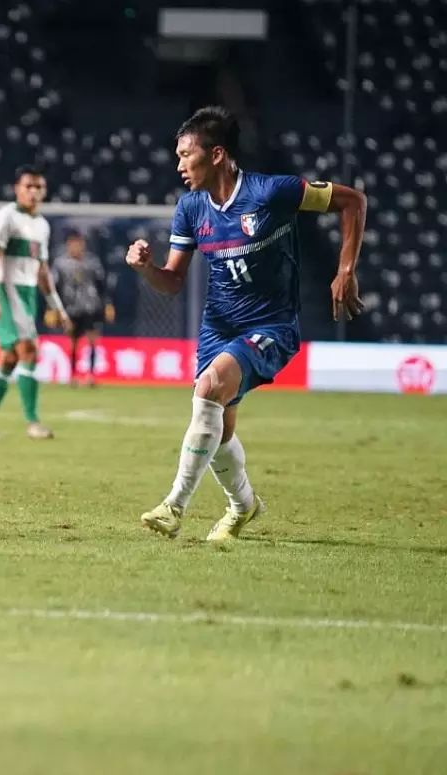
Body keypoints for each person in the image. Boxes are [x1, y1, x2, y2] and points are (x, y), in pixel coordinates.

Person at [126, 106, 365, 541]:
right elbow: (173, 282)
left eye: (185, 154)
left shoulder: (273, 193)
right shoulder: (191, 208)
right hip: (218, 327)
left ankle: (174, 505)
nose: (179, 165)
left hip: (271, 326)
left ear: (216, 154)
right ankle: (243, 506)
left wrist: (345, 269)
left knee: (209, 388)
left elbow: (352, 201)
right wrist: (147, 269)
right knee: (218, 430)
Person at [0, 165, 70, 440]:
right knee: (29, 350)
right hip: (6, 289)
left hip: (27, 293)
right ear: (18, 189)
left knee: (8, 358)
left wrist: (57, 306)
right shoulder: (6, 217)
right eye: (29, 186)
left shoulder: (42, 225)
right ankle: (33, 422)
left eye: (39, 187)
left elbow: (42, 271)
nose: (34, 192)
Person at [47, 230, 115, 386]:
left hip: (92, 307)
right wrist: (52, 308)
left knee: (92, 340)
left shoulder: (92, 263)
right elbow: (54, 287)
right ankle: (72, 375)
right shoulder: (60, 264)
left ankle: (91, 375)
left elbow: (102, 285)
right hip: (70, 308)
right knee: (72, 342)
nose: (76, 247)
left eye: (79, 244)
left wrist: (108, 305)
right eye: (73, 244)